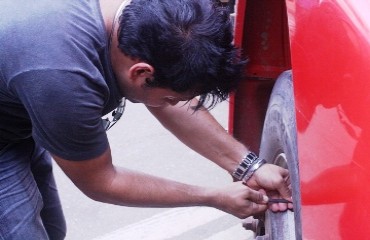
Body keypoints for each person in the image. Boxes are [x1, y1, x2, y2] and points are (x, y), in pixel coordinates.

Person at [0, 0, 291, 239]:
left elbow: (168, 104)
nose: (175, 103)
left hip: (17, 112)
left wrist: (249, 167)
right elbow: (102, 181)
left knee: (51, 229)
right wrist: (213, 196)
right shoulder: (63, 79)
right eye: (172, 97)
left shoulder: (143, 20)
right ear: (141, 73)